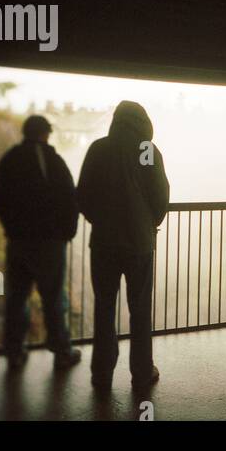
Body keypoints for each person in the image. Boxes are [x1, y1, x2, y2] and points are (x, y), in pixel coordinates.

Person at [77, 101, 169, 389]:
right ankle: (142, 372)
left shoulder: (99, 149)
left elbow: (83, 195)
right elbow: (160, 195)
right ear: (143, 122)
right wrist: (148, 222)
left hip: (104, 242)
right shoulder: (146, 151)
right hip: (140, 243)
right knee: (140, 309)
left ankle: (102, 373)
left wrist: (100, 220)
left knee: (104, 307)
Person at [0, 115, 82, 370]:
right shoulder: (51, 160)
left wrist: (10, 226)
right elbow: (68, 197)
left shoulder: (10, 159)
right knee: (52, 297)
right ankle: (62, 351)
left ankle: (14, 352)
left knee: (17, 296)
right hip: (48, 242)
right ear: (45, 133)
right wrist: (67, 233)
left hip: (18, 240)